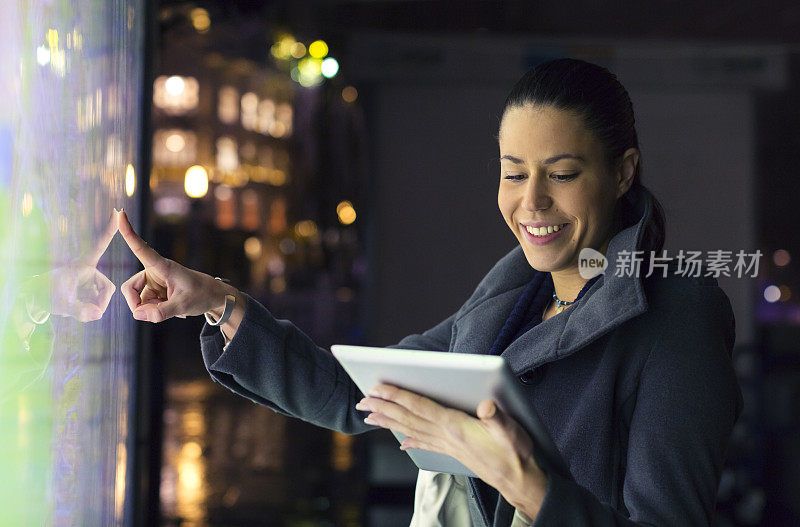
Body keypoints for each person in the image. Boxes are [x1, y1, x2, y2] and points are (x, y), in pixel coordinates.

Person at [117, 58, 743, 526]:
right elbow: (354, 396)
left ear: (624, 171)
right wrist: (219, 302)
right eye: (513, 174)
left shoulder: (678, 316)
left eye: (563, 174)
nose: (532, 203)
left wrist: (522, 481)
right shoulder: (512, 295)